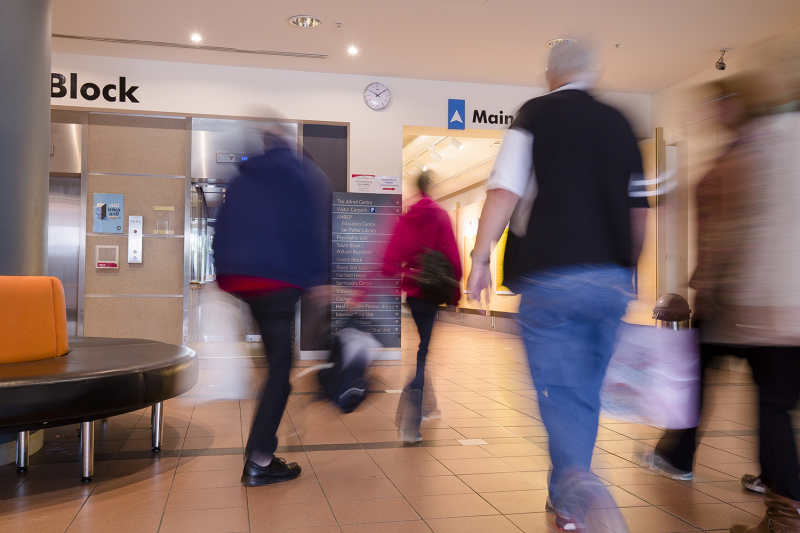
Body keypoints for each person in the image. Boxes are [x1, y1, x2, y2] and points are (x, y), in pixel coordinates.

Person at [466, 38, 648, 532]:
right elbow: (639, 212)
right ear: (594, 72)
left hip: (551, 279)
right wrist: (624, 276)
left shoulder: (535, 115)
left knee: (557, 392)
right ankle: (565, 502)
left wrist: (480, 257)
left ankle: (580, 486)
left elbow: (505, 189)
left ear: (551, 74)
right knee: (582, 394)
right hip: (609, 280)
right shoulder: (622, 123)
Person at [640, 74, 767, 484]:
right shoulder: (756, 150)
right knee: (773, 394)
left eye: (719, 102)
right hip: (760, 295)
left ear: (735, 104)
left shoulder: (742, 156)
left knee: (699, 379)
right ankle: (781, 480)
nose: (712, 112)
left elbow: (730, 228)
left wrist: (708, 285)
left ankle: (678, 457)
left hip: (733, 295)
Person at [213, 125, 332, 486]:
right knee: (281, 371)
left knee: (275, 365)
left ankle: (261, 453)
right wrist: (319, 276)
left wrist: (225, 275)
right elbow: (308, 228)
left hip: (245, 282)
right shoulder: (298, 174)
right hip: (278, 282)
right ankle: (260, 460)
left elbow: (221, 228)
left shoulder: (241, 178)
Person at [383, 171, 461, 443]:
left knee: (423, 348)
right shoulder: (440, 215)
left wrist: (396, 270)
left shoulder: (408, 217)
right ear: (433, 186)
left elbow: (392, 255)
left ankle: (428, 406)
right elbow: (453, 258)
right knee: (423, 352)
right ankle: (413, 414)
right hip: (433, 292)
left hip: (414, 292)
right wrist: (454, 292)